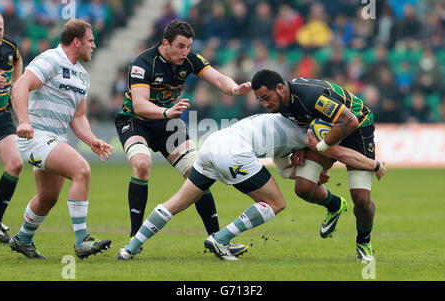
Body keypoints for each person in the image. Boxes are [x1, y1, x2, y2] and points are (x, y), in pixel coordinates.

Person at [117, 113, 385, 260]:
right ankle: (220, 240)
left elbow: (283, 169)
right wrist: (373, 165)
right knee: (276, 203)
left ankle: (130, 248)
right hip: (235, 153)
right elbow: (337, 152)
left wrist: (302, 171)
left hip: (213, 144)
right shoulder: (311, 132)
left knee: (177, 202)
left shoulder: (280, 124)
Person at [114, 19, 251, 256]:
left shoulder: (190, 60)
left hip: (167, 122)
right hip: (135, 121)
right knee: (142, 164)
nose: (184, 52)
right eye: (180, 46)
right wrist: (166, 112)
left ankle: (217, 239)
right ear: (165, 43)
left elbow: (218, 79)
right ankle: (134, 238)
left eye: (188, 46)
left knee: (199, 173)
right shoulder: (142, 63)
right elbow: (139, 105)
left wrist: (234, 89)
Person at [251, 69, 382, 263]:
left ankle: (363, 242)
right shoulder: (282, 104)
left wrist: (320, 147)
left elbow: (349, 121)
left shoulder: (310, 95)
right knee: (303, 188)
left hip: (357, 131)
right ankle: (335, 205)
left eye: (266, 98)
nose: (265, 104)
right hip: (327, 131)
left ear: (280, 88)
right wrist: (301, 147)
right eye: (260, 100)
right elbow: (306, 124)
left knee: (361, 200)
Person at [9, 19, 112, 259]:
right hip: (35, 135)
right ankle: (81, 241)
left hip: (54, 138)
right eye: (90, 40)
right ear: (76, 41)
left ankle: (23, 239)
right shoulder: (51, 59)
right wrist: (24, 121)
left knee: (47, 198)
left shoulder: (82, 76)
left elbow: (79, 116)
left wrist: (91, 140)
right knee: (82, 170)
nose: (94, 45)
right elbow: (20, 86)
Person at [0, 11, 24, 244]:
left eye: (0, 29)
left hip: (1, 117)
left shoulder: (9, 46)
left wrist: (16, 83)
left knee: (15, 164)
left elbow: (18, 61)